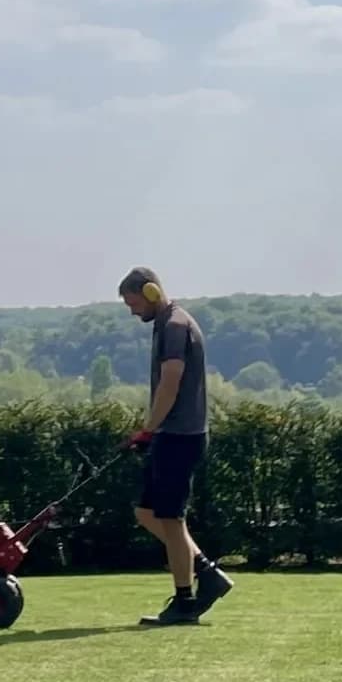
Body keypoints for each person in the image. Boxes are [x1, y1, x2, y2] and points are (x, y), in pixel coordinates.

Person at [119, 267, 232, 627]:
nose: (133, 311)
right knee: (148, 513)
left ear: (151, 292)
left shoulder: (173, 327)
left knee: (171, 518)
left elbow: (170, 382)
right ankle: (206, 573)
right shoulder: (168, 323)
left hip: (179, 436)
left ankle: (185, 602)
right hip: (172, 435)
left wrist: (148, 430)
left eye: (133, 303)